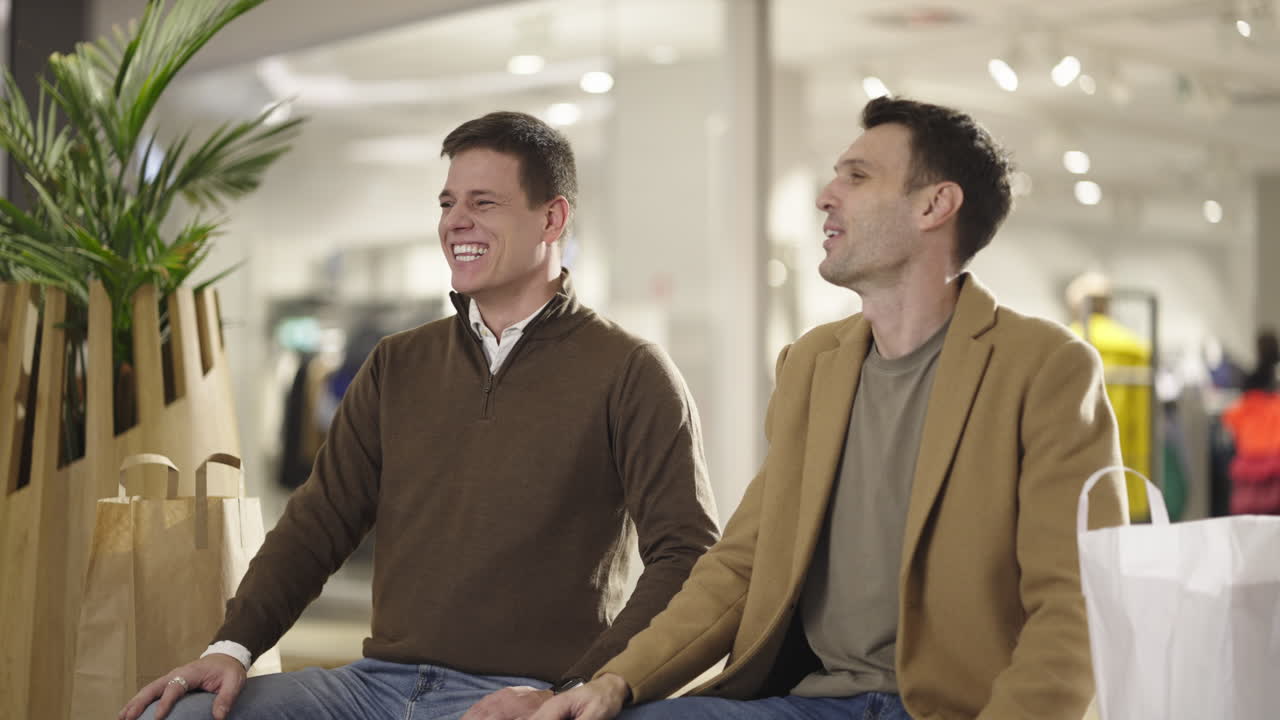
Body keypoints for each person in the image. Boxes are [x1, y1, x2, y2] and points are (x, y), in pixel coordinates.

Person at [529, 97, 1128, 720]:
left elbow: (1077, 602)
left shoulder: (1045, 367)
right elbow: (741, 566)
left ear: (934, 205)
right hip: (813, 701)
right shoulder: (813, 365)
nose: (825, 195)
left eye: (857, 176)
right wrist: (614, 679)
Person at [121, 111, 720, 720]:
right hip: (372, 686)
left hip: (525, 693)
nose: (457, 221)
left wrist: (584, 687)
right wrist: (232, 646)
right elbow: (319, 521)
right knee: (177, 716)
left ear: (553, 217)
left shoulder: (631, 370)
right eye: (448, 202)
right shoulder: (396, 362)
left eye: (483, 202)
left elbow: (687, 554)